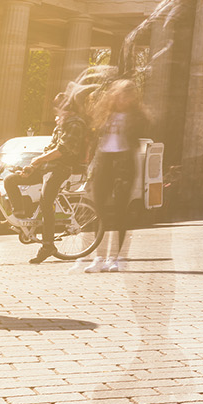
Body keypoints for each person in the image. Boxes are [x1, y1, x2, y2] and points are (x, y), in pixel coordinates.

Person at [5, 67, 107, 264]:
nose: (55, 111)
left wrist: (39, 161)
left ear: (65, 108)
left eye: (57, 108)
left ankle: (48, 244)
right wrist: (31, 167)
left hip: (61, 169)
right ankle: (22, 218)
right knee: (11, 180)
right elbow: (49, 148)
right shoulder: (61, 125)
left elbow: (62, 151)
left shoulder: (75, 124)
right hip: (47, 168)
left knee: (45, 201)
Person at [84, 77, 147, 272]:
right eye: (120, 95)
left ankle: (118, 258)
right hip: (105, 161)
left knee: (120, 209)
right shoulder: (104, 115)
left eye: (128, 96)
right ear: (113, 95)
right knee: (98, 208)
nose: (123, 99)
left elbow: (139, 136)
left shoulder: (138, 117)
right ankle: (99, 257)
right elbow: (94, 137)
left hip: (124, 161)